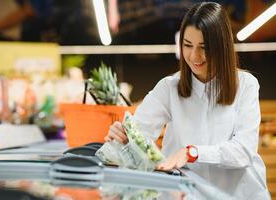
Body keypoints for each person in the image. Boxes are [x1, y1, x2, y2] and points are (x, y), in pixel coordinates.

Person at [105, 2, 270, 199]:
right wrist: (124, 138)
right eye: (187, 45)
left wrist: (192, 152)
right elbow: (139, 134)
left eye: (204, 47)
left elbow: (243, 151)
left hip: (239, 194)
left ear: (222, 46)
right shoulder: (169, 87)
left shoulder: (246, 85)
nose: (194, 56)